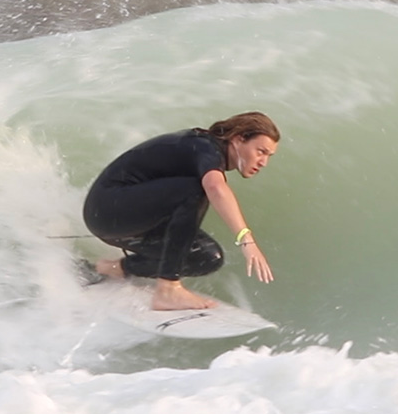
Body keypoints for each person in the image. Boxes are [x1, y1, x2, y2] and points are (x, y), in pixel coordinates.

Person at [82, 111, 279, 311]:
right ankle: (167, 289)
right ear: (238, 139)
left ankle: (109, 269)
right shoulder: (206, 148)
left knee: (206, 258)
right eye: (260, 151)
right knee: (196, 189)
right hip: (107, 210)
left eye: (268, 156)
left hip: (120, 219)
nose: (263, 162)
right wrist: (246, 238)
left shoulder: (209, 154)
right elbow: (216, 188)